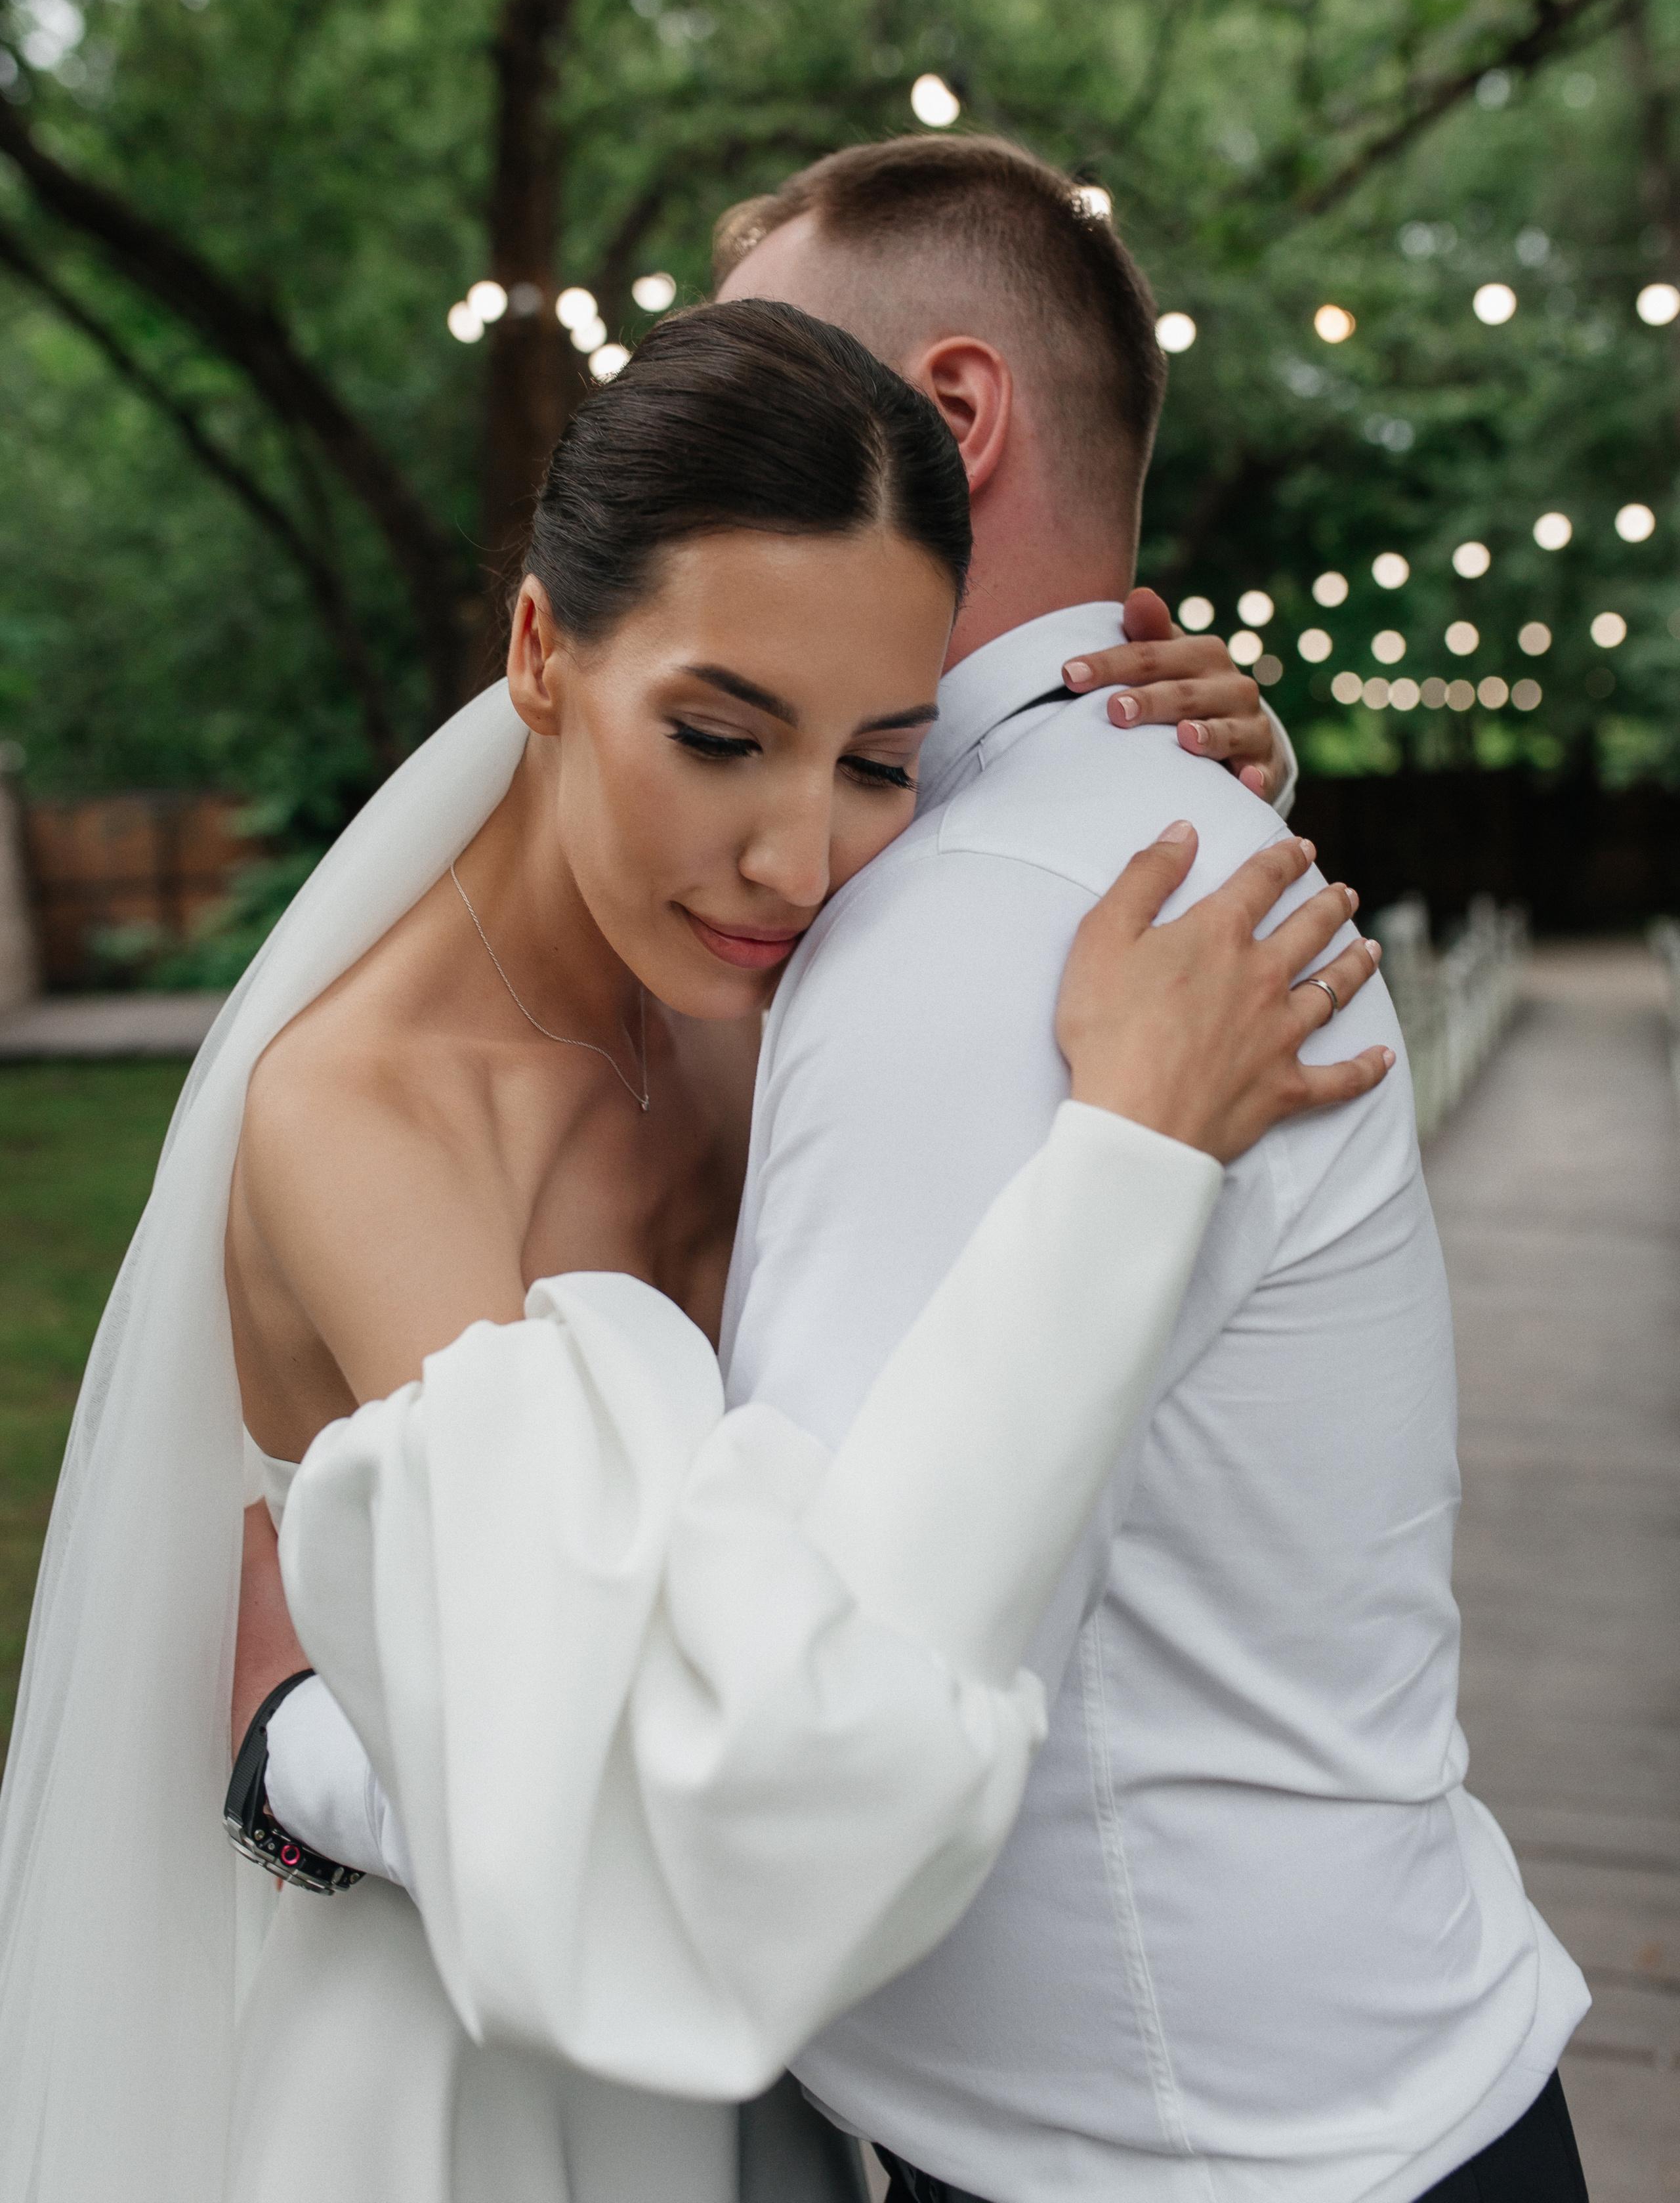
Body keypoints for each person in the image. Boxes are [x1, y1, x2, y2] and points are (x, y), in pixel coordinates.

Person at [0, 295, 1381, 2203]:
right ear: (542, 653)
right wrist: (1126, 1155)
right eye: (720, 737)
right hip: (468, 2070)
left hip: (784, 2072)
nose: (797, 858)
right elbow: (662, 1838)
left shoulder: (772, 982)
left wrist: (1207, 752)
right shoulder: (369, 1123)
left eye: (882, 760)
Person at [708, 136, 1594, 2202]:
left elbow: (815, 1683)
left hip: (1198, 2150)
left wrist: (318, 1760)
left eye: (755, 380)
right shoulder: (1164, 827)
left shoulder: (985, 920)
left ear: (944, 419)